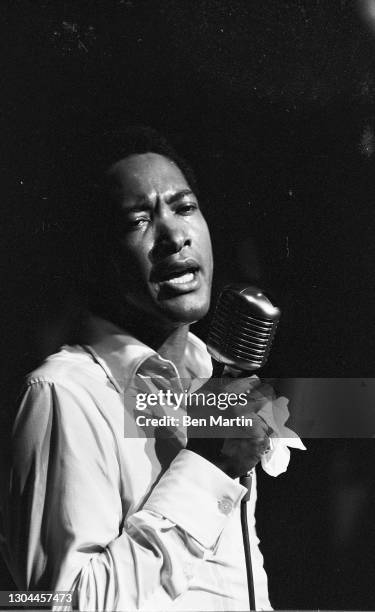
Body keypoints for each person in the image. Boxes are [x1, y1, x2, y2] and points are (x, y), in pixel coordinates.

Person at [0, 126, 294, 611]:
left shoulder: (213, 378)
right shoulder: (63, 394)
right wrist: (207, 466)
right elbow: (59, 606)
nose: (174, 236)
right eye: (138, 220)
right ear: (97, 256)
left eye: (184, 207)